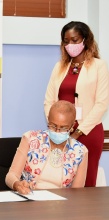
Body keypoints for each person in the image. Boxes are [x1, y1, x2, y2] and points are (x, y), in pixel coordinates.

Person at [44, 21, 109, 187]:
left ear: (85, 40)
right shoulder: (59, 67)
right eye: (66, 41)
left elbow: (102, 104)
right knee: (60, 180)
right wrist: (56, 128)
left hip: (89, 132)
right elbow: (49, 101)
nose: (70, 45)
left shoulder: (99, 66)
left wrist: (78, 132)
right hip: (60, 133)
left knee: (86, 182)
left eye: (74, 40)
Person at [5, 101, 88, 194]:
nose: (57, 131)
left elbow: (77, 193)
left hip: (62, 205)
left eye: (63, 128)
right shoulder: (30, 138)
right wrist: (17, 184)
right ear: (48, 120)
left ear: (72, 126)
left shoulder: (80, 151)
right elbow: (11, 175)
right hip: (30, 199)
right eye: (53, 126)